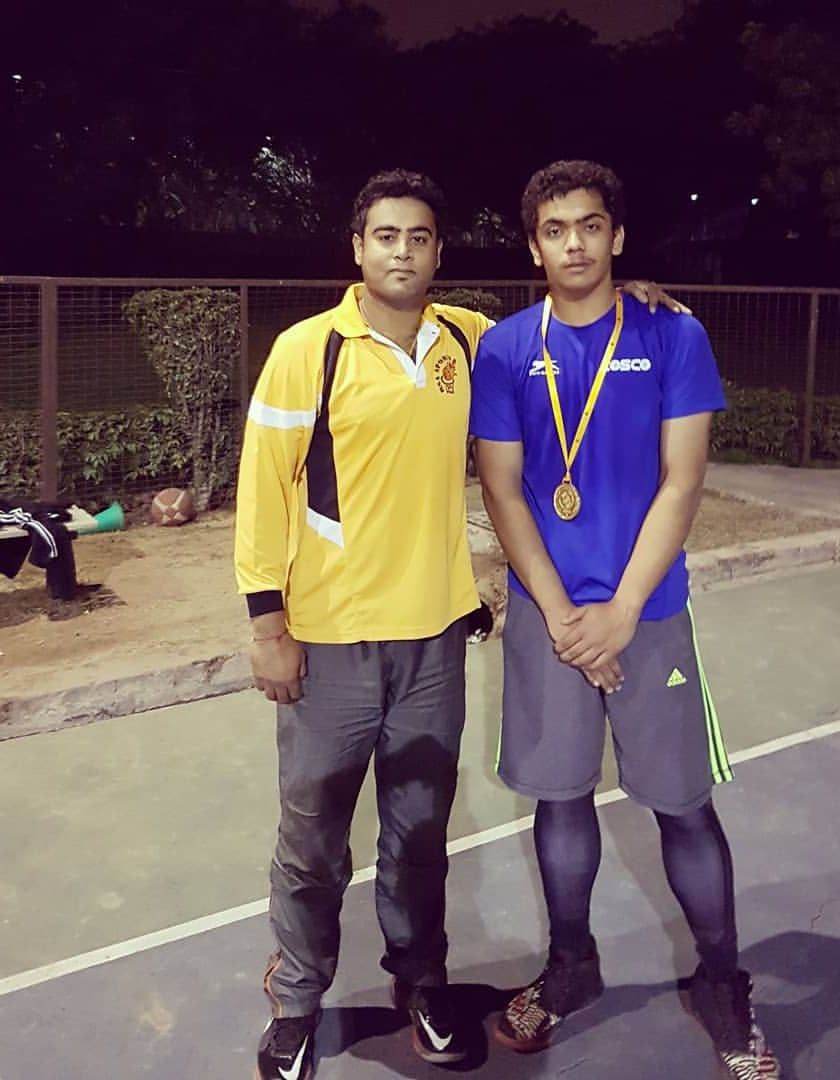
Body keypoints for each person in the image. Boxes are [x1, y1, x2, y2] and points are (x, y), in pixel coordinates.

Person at [235, 166, 683, 1080]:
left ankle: (422, 983)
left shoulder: (468, 341)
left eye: (419, 237)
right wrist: (267, 623)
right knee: (313, 842)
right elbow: (261, 491)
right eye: (385, 236)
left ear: (439, 253)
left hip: (436, 639)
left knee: (418, 837)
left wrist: (627, 293)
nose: (402, 252)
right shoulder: (307, 350)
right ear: (357, 248)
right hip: (328, 642)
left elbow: (559, 328)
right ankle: (296, 1002)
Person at [469, 160, 780, 1080]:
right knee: (559, 799)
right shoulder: (504, 349)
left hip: (649, 613)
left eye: (590, 225)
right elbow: (502, 488)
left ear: (617, 236)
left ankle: (721, 982)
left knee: (683, 808)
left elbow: (684, 481)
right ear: (534, 247)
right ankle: (571, 966)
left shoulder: (672, 333)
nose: (575, 243)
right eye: (555, 229)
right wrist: (570, 618)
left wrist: (621, 613)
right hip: (550, 620)